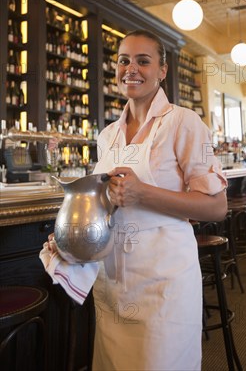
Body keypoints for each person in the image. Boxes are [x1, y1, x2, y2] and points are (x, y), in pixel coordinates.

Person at [91, 29, 228, 371]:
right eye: (123, 60)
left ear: (163, 70)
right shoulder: (107, 136)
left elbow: (217, 207)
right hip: (113, 285)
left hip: (164, 282)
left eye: (143, 60)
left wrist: (143, 192)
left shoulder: (185, 123)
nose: (130, 69)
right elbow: (106, 203)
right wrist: (71, 234)